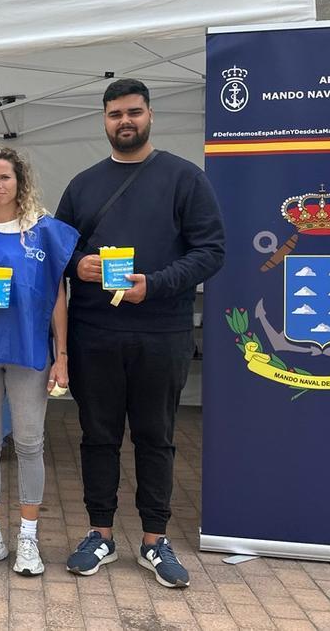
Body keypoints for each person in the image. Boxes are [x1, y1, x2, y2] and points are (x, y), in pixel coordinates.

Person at [54, 78, 225, 588]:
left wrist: (156, 285)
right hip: (95, 333)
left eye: (133, 112)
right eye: (114, 114)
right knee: (98, 437)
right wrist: (79, 263)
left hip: (162, 331)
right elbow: (56, 249)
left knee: (156, 437)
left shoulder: (184, 178)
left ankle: (154, 540)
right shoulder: (83, 185)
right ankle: (100, 534)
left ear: (150, 115)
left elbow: (212, 251)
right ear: (103, 121)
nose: (124, 121)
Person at [0, 146, 77, 575]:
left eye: (5, 177)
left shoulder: (43, 231)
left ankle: (28, 539)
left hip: (29, 352)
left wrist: (62, 354)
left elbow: (58, 296)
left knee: (29, 444)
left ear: (19, 181)